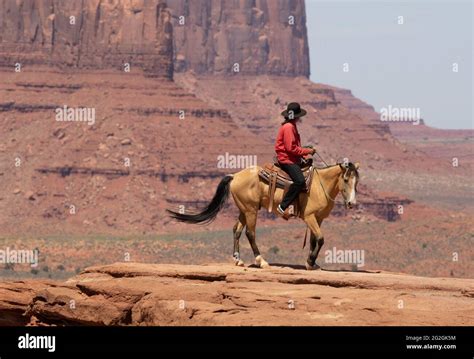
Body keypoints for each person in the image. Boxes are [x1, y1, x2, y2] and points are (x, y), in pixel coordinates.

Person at [274, 102, 316, 219]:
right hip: (287, 159)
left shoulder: (291, 125)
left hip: (292, 158)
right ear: (296, 116)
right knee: (300, 181)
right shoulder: (289, 127)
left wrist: (303, 154)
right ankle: (283, 206)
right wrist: (307, 151)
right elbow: (290, 148)